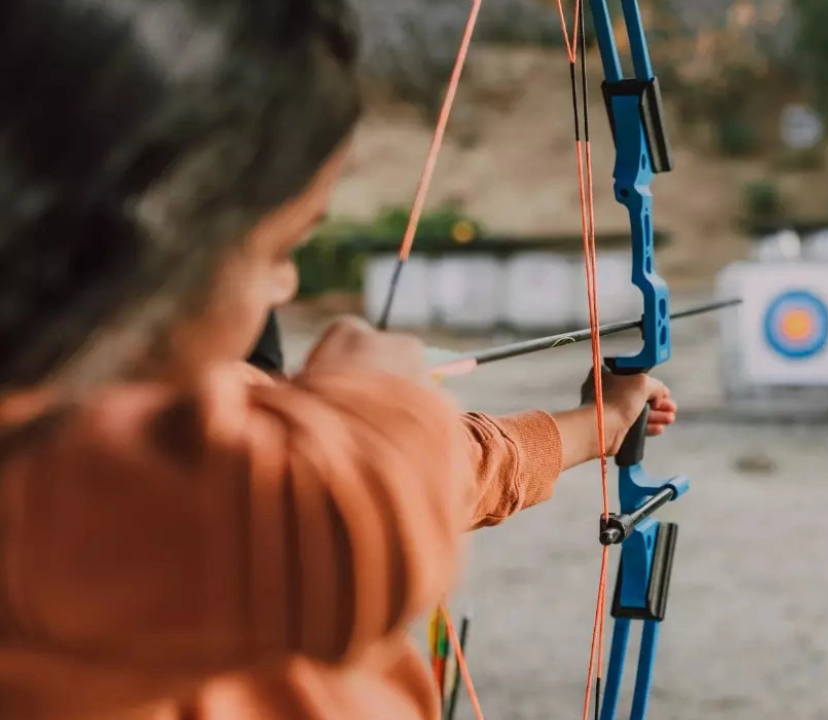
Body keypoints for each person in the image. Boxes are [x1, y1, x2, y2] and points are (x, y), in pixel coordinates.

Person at [0, 1, 678, 719]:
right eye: (279, 250)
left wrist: (597, 424)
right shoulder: (48, 480)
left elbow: (446, 469)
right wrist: (371, 390)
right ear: (150, 235)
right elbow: (346, 505)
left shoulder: (208, 445)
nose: (286, 286)